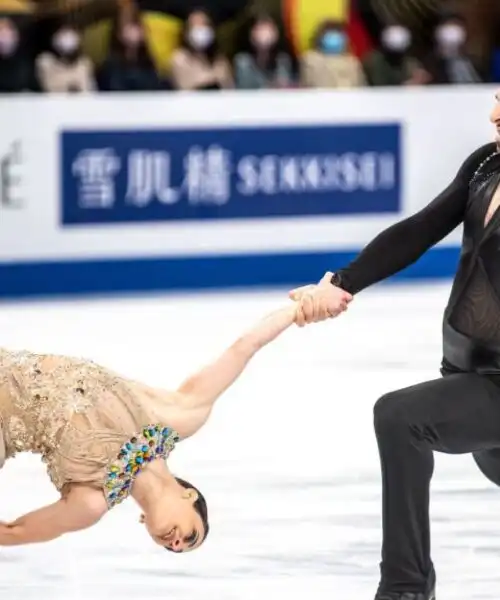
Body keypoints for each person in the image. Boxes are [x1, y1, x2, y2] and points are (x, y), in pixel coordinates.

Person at [289, 91, 500, 599]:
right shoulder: (486, 164)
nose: (495, 114)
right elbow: (420, 230)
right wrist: (343, 281)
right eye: (498, 99)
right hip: (468, 377)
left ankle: (404, 589)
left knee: (401, 417)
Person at [0, 300, 353, 552]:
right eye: (190, 535)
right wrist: (301, 307)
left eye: (174, 548)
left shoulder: (89, 502)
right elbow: (245, 347)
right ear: (190, 496)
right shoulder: (178, 416)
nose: (176, 542)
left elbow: (14, 532)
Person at [170, 9, 233, 91]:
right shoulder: (179, 59)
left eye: (204, 24)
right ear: (186, 32)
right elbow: (186, 87)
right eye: (195, 25)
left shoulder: (220, 60)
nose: (200, 29)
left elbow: (228, 87)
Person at [233, 14, 295, 90]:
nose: (264, 34)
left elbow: (284, 86)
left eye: (268, 29)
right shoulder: (242, 62)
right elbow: (245, 87)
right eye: (260, 29)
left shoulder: (283, 61)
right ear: (251, 34)